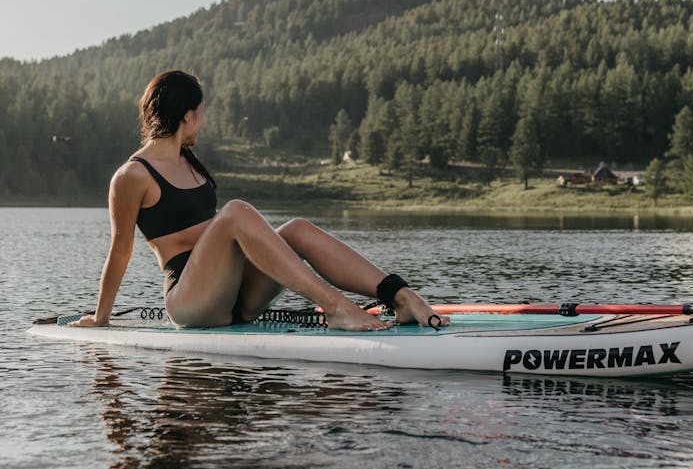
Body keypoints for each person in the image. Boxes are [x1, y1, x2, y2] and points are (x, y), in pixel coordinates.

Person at [72, 70, 445, 332]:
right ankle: (336, 308)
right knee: (235, 212)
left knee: (296, 229)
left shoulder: (189, 160)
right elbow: (120, 251)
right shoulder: (132, 176)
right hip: (193, 301)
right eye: (201, 114)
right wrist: (101, 318)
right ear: (188, 115)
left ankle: (400, 296)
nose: (203, 122)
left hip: (236, 294)